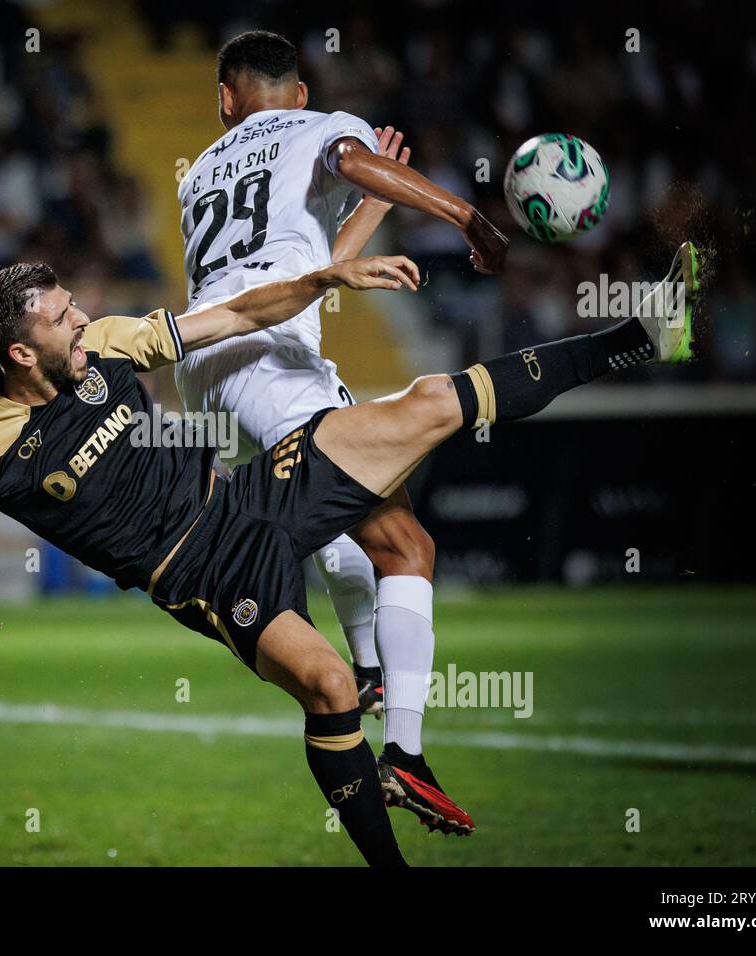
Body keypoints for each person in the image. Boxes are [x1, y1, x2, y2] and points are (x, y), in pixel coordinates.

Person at [0, 240, 701, 867]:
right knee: (331, 687)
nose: (82, 318)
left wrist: (325, 280)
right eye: (63, 317)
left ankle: (638, 336)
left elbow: (232, 315)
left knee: (432, 400)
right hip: (203, 572)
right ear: (19, 353)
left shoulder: (105, 346)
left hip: (250, 493)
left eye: (75, 305)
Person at [174, 30, 508, 833]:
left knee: (340, 536)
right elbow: (354, 160)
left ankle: (366, 673)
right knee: (407, 548)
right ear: (299, 92)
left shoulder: (200, 176)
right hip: (275, 364)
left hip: (209, 368)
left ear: (227, 99)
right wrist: (464, 212)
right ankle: (407, 756)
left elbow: (300, 269)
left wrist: (371, 208)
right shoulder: (320, 125)